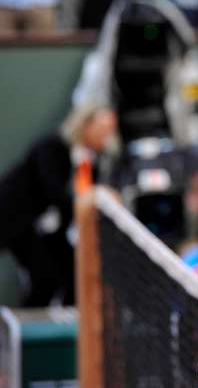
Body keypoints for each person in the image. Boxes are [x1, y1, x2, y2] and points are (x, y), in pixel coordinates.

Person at [0, 103, 118, 306]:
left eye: (110, 131)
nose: (106, 136)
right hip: (15, 219)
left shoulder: (92, 163)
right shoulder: (52, 148)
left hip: (50, 229)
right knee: (44, 277)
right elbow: (56, 193)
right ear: (86, 125)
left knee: (69, 274)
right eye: (102, 129)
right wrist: (94, 200)